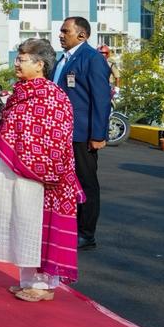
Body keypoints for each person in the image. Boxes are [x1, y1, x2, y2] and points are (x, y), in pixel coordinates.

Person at [0, 38, 83, 301]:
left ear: (39, 64)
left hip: (42, 174)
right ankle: (28, 280)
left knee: (36, 224)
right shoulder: (22, 91)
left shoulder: (52, 95)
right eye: (18, 58)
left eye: (22, 59)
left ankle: (43, 285)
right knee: (22, 220)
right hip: (17, 167)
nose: (16, 63)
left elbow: (57, 137)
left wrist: (40, 164)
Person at [52, 17, 111, 251]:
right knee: (63, 183)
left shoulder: (92, 59)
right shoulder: (63, 60)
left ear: (82, 35)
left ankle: (86, 234)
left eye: (65, 31)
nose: (60, 35)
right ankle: (66, 227)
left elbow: (101, 99)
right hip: (61, 134)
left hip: (82, 134)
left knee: (86, 183)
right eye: (61, 31)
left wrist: (98, 135)